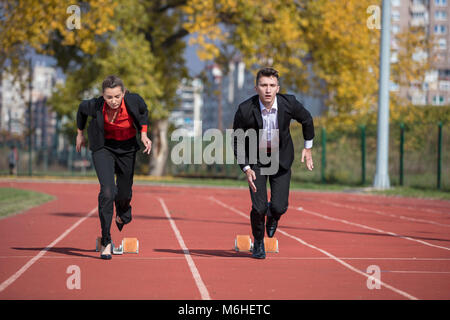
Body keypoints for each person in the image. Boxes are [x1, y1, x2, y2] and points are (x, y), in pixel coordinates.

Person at [232, 67, 315, 259]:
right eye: (263, 85)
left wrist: (307, 147)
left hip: (281, 159)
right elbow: (236, 139)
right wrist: (245, 168)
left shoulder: (289, 103)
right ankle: (259, 242)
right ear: (256, 88)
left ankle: (274, 217)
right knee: (259, 208)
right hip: (256, 161)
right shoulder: (245, 109)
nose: (268, 90)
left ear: (278, 88)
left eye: (272, 85)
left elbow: (307, 119)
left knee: (279, 207)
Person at [76, 75, 152, 260]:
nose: (113, 101)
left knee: (124, 193)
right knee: (108, 192)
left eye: (117, 96)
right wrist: (80, 134)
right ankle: (106, 241)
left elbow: (144, 111)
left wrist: (143, 134)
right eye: (109, 97)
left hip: (127, 149)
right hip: (104, 148)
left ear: (123, 93)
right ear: (103, 96)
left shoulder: (133, 101)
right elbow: (81, 110)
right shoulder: (95, 105)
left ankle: (123, 214)